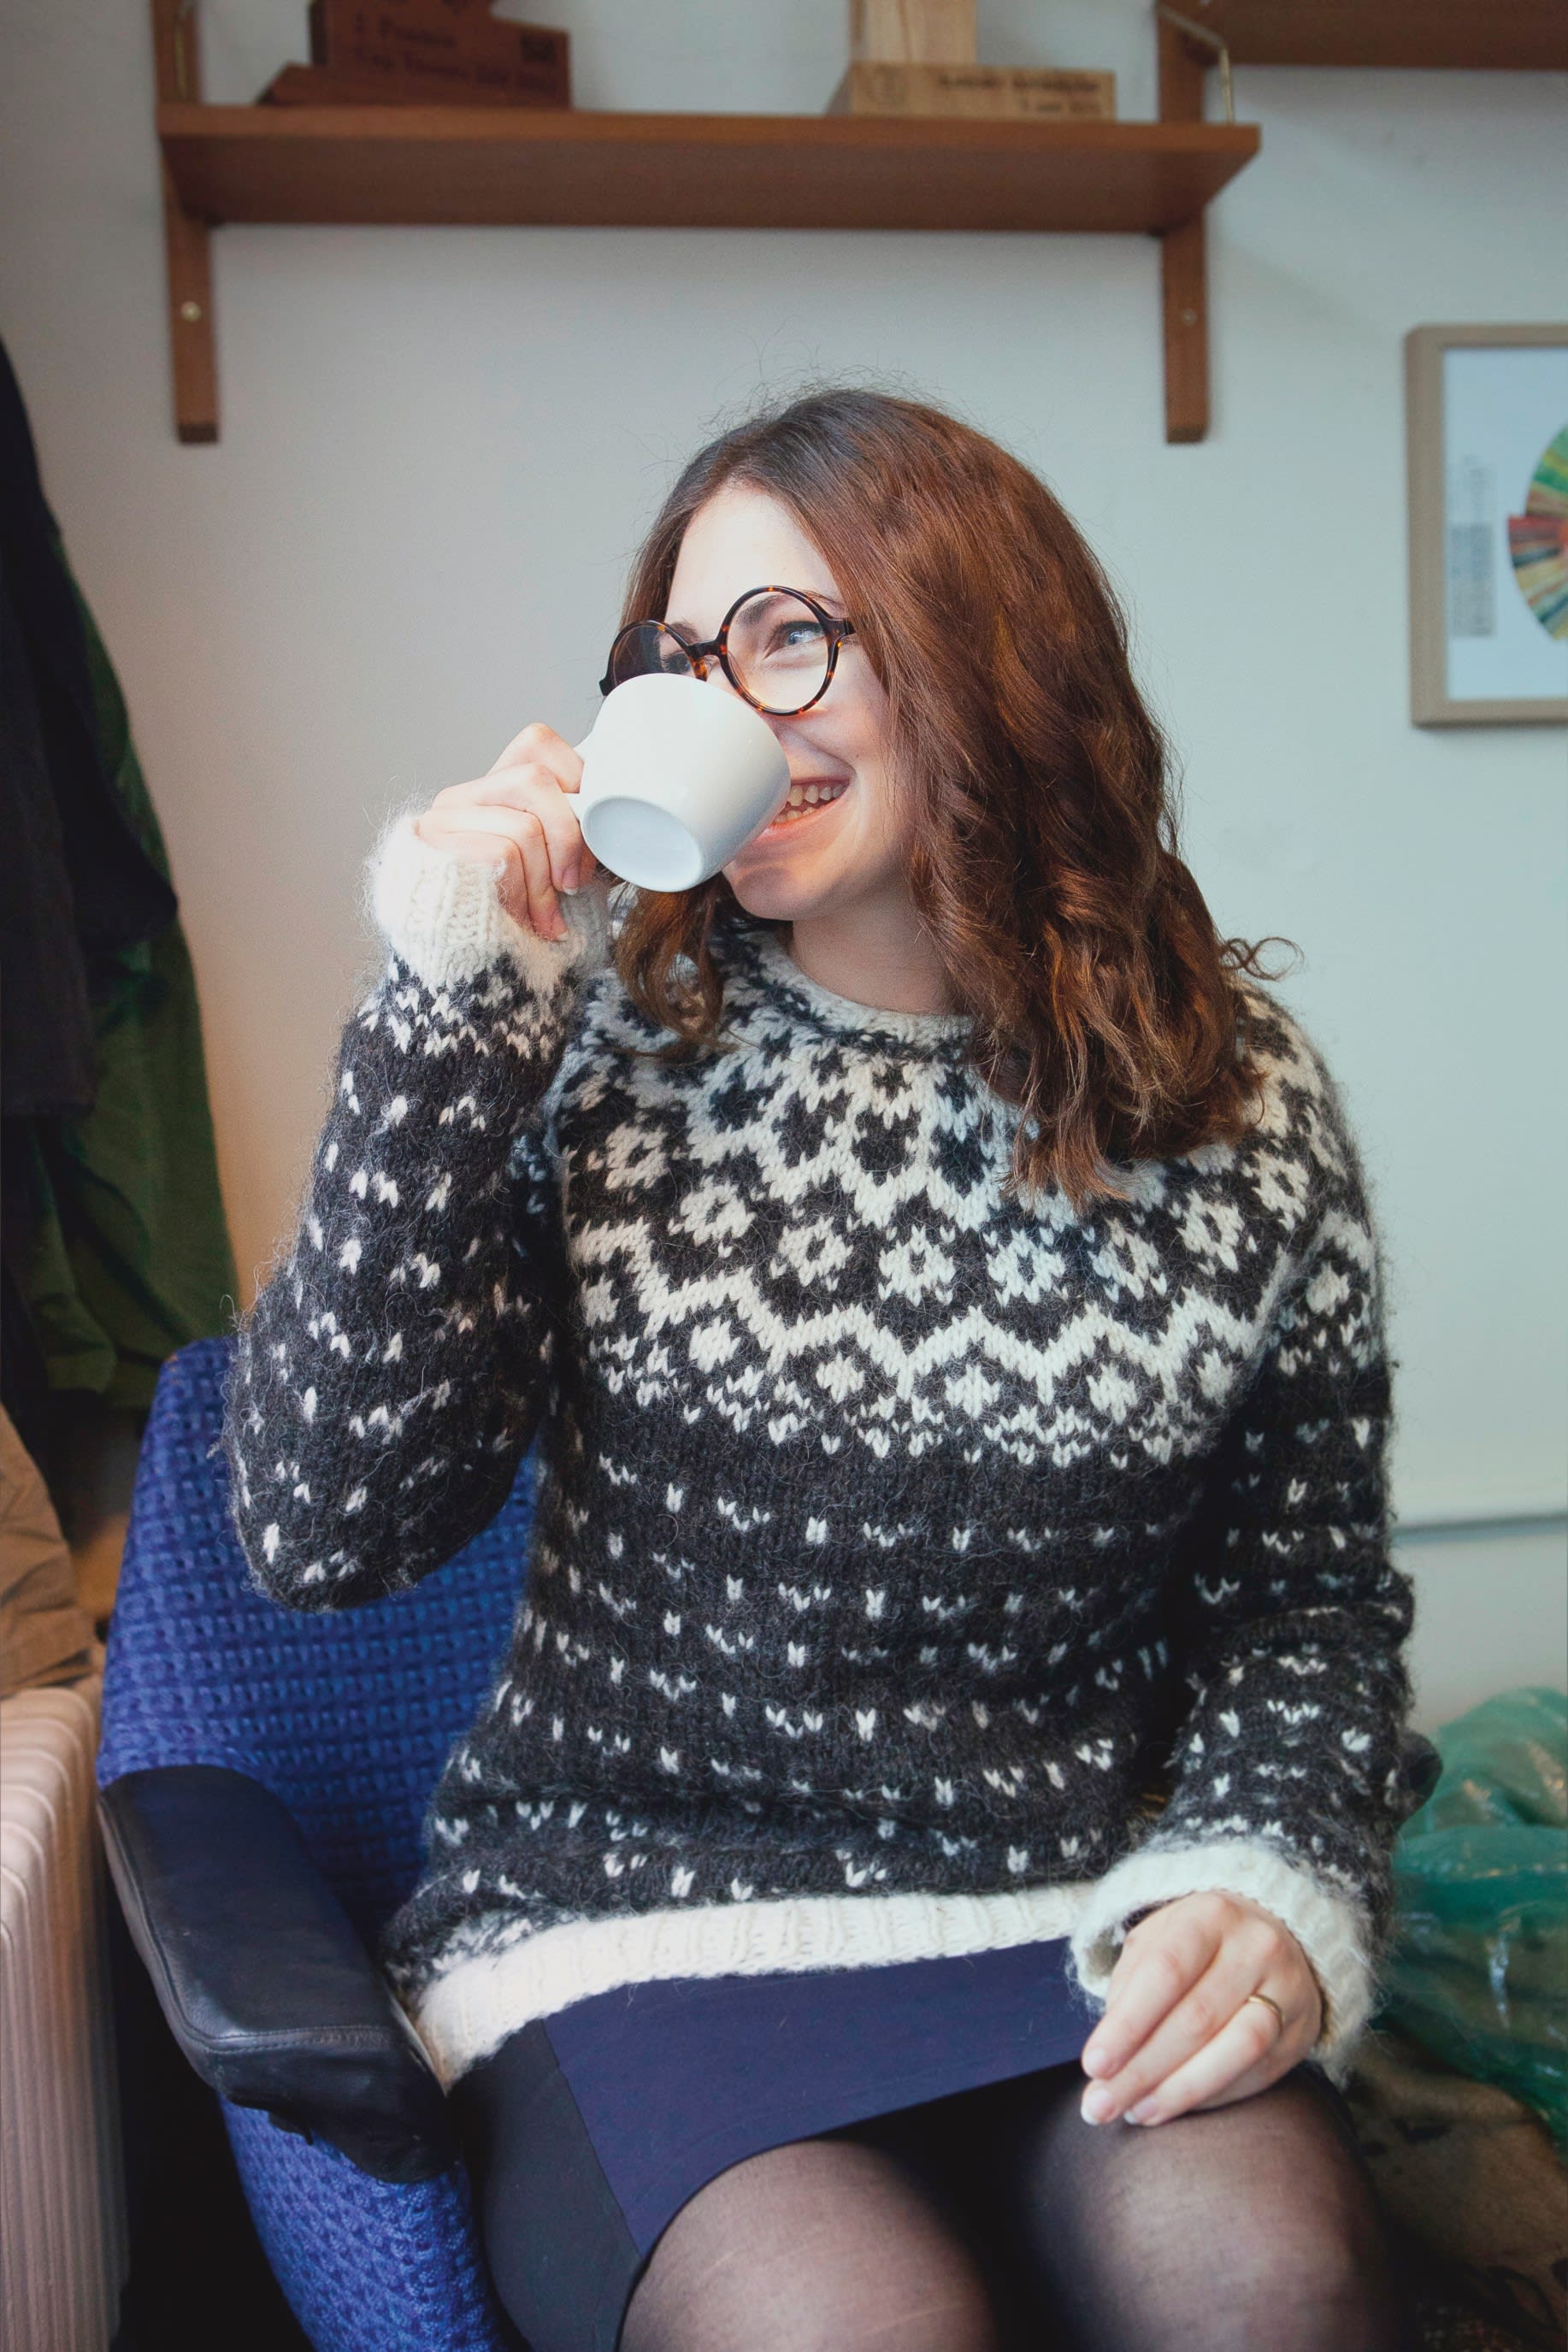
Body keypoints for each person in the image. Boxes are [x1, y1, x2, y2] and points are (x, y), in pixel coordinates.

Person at [221, 385, 1412, 2352]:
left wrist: (1272, 1878)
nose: (726, 707)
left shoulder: (1232, 1103)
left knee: (1266, 2280)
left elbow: (1301, 1602)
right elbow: (319, 1526)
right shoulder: (600, 1064)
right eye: (683, 658)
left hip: (1063, 1920)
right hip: (626, 1933)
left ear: (974, 653)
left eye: (788, 637)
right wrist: (449, 1003)